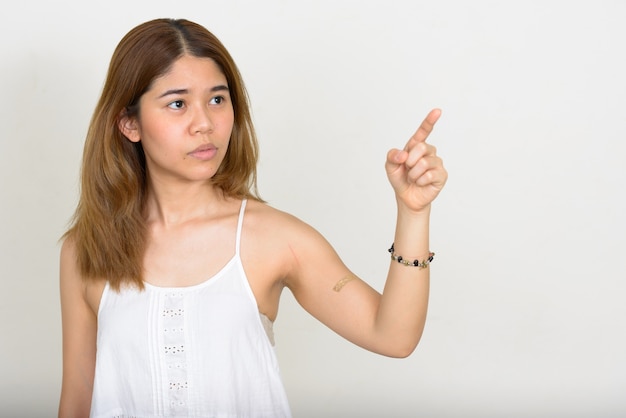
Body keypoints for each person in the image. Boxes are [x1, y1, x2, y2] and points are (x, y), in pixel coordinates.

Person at [58, 17, 447, 418]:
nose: (205, 124)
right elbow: (77, 398)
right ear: (129, 123)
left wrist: (413, 213)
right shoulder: (85, 249)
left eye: (217, 99)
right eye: (177, 103)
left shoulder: (276, 238)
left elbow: (394, 336)